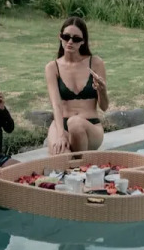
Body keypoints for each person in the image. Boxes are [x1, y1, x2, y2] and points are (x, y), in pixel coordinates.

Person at [44, 17, 108, 155]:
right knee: (63, 158)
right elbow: (56, 105)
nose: (70, 42)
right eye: (66, 37)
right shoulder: (52, 67)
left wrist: (102, 91)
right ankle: (75, 163)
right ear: (60, 37)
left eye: (76, 39)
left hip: (89, 126)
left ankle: (81, 163)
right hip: (62, 125)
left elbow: (104, 107)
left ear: (83, 41)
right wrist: (61, 135)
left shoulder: (95, 63)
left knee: (75, 123)